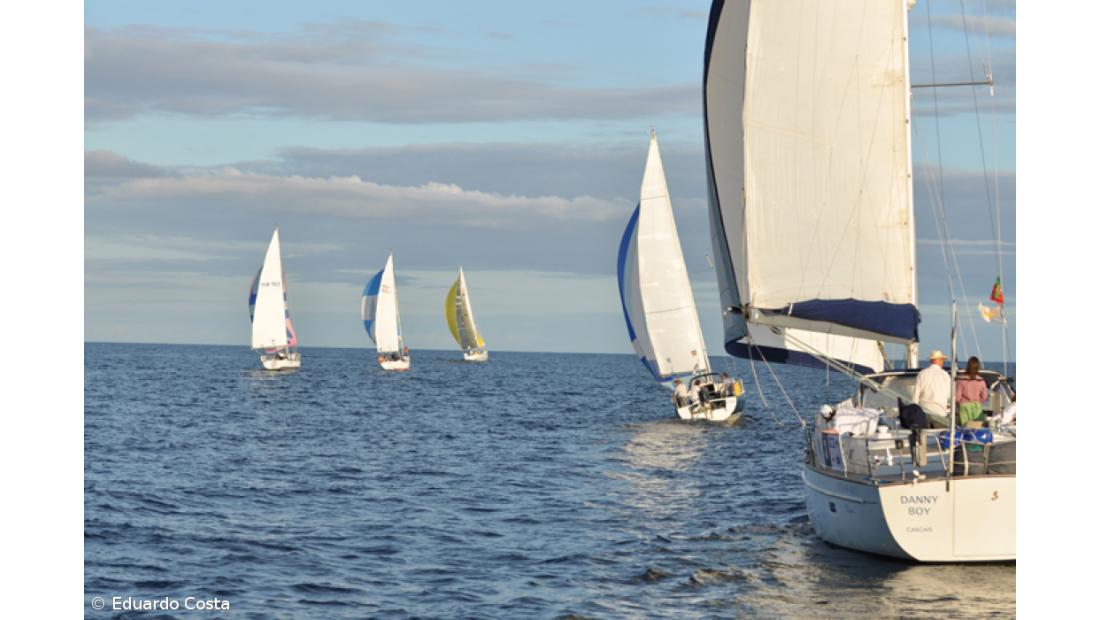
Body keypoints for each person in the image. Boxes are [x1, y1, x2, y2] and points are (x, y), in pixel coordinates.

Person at [914, 350, 952, 428]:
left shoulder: (922, 374)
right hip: (940, 413)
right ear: (939, 360)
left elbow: (915, 396)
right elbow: (949, 395)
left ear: (931, 360)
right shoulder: (945, 375)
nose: (942, 362)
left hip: (925, 413)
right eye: (942, 360)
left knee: (924, 437)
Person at [955, 356, 988, 428]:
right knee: (976, 427)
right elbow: (984, 396)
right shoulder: (981, 380)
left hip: (964, 407)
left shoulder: (961, 379)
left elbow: (957, 397)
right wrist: (979, 402)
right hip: (976, 407)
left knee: (964, 428)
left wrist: (959, 403)